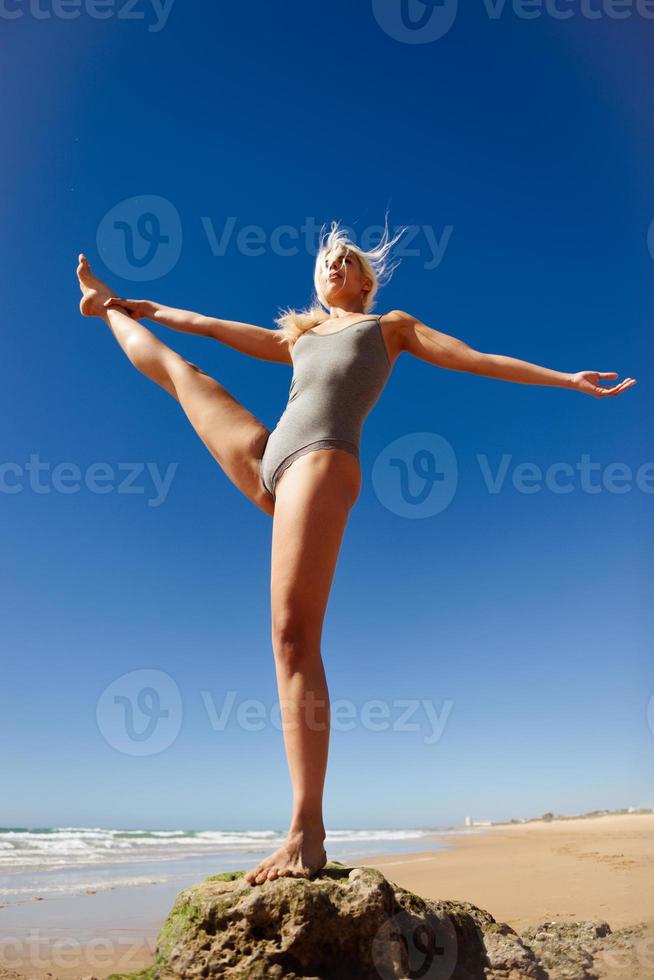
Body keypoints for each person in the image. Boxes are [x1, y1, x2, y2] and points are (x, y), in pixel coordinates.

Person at [76, 219, 636, 886]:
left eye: (346, 261)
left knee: (292, 637)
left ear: (366, 280)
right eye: (325, 261)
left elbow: (477, 358)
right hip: (269, 457)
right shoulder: (300, 335)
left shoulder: (389, 327)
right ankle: (101, 306)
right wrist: (144, 306)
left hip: (320, 460)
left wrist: (567, 381)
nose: (334, 266)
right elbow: (210, 324)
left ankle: (306, 832)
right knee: (179, 369)